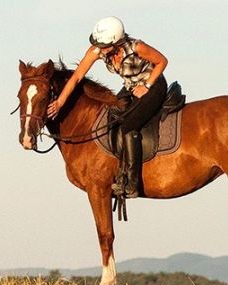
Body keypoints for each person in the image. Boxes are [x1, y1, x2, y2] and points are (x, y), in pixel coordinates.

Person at [46, 16, 168, 198]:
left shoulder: (137, 47)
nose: (100, 49)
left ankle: (131, 182)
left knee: (128, 126)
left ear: (117, 41)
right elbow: (77, 77)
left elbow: (162, 61)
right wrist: (60, 101)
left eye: (104, 46)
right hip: (131, 87)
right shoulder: (97, 50)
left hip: (153, 86)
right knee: (110, 116)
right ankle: (115, 168)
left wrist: (147, 86)